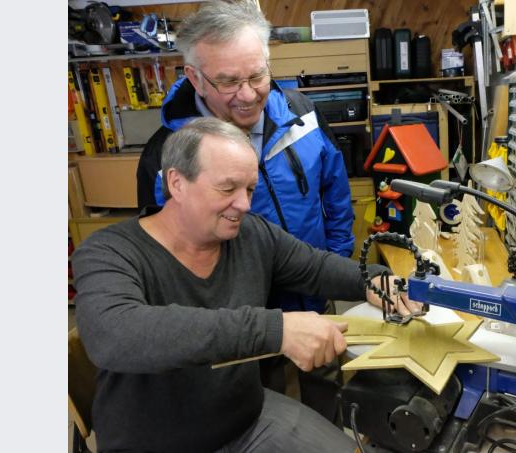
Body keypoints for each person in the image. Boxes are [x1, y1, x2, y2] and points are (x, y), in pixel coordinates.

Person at [74, 118, 420, 452]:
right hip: (154, 442)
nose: (244, 204)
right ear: (177, 183)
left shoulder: (250, 233)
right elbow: (115, 334)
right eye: (227, 188)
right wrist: (276, 330)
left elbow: (316, 268)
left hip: (247, 418)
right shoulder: (109, 251)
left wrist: (375, 279)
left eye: (249, 189)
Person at [134, 0, 355, 418]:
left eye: (257, 75)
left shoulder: (302, 115)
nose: (249, 94)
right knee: (252, 416)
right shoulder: (167, 155)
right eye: (229, 82)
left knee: (327, 408)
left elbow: (335, 192)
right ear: (195, 78)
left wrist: (336, 260)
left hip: (312, 294)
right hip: (235, 320)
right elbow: (161, 251)